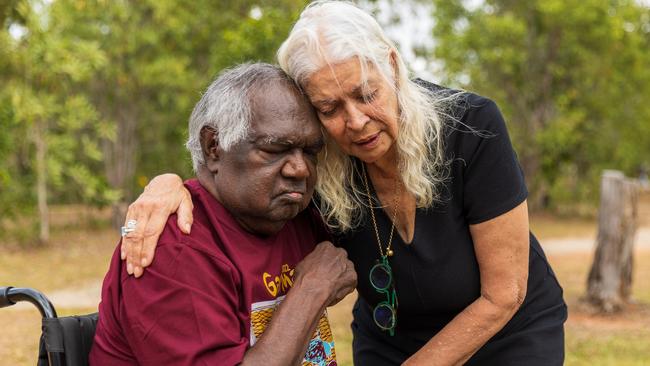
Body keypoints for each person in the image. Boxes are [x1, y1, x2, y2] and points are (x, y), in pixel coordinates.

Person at [121, 1, 567, 365]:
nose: (355, 122)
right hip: (393, 339)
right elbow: (237, 175)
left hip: (504, 332)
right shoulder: (317, 165)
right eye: (329, 108)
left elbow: (505, 294)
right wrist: (168, 185)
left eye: (366, 94)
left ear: (392, 67)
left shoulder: (471, 127)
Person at [90, 63, 357, 366]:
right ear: (214, 147)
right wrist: (312, 290)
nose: (299, 169)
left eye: (309, 152)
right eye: (274, 149)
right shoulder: (175, 247)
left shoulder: (298, 217)